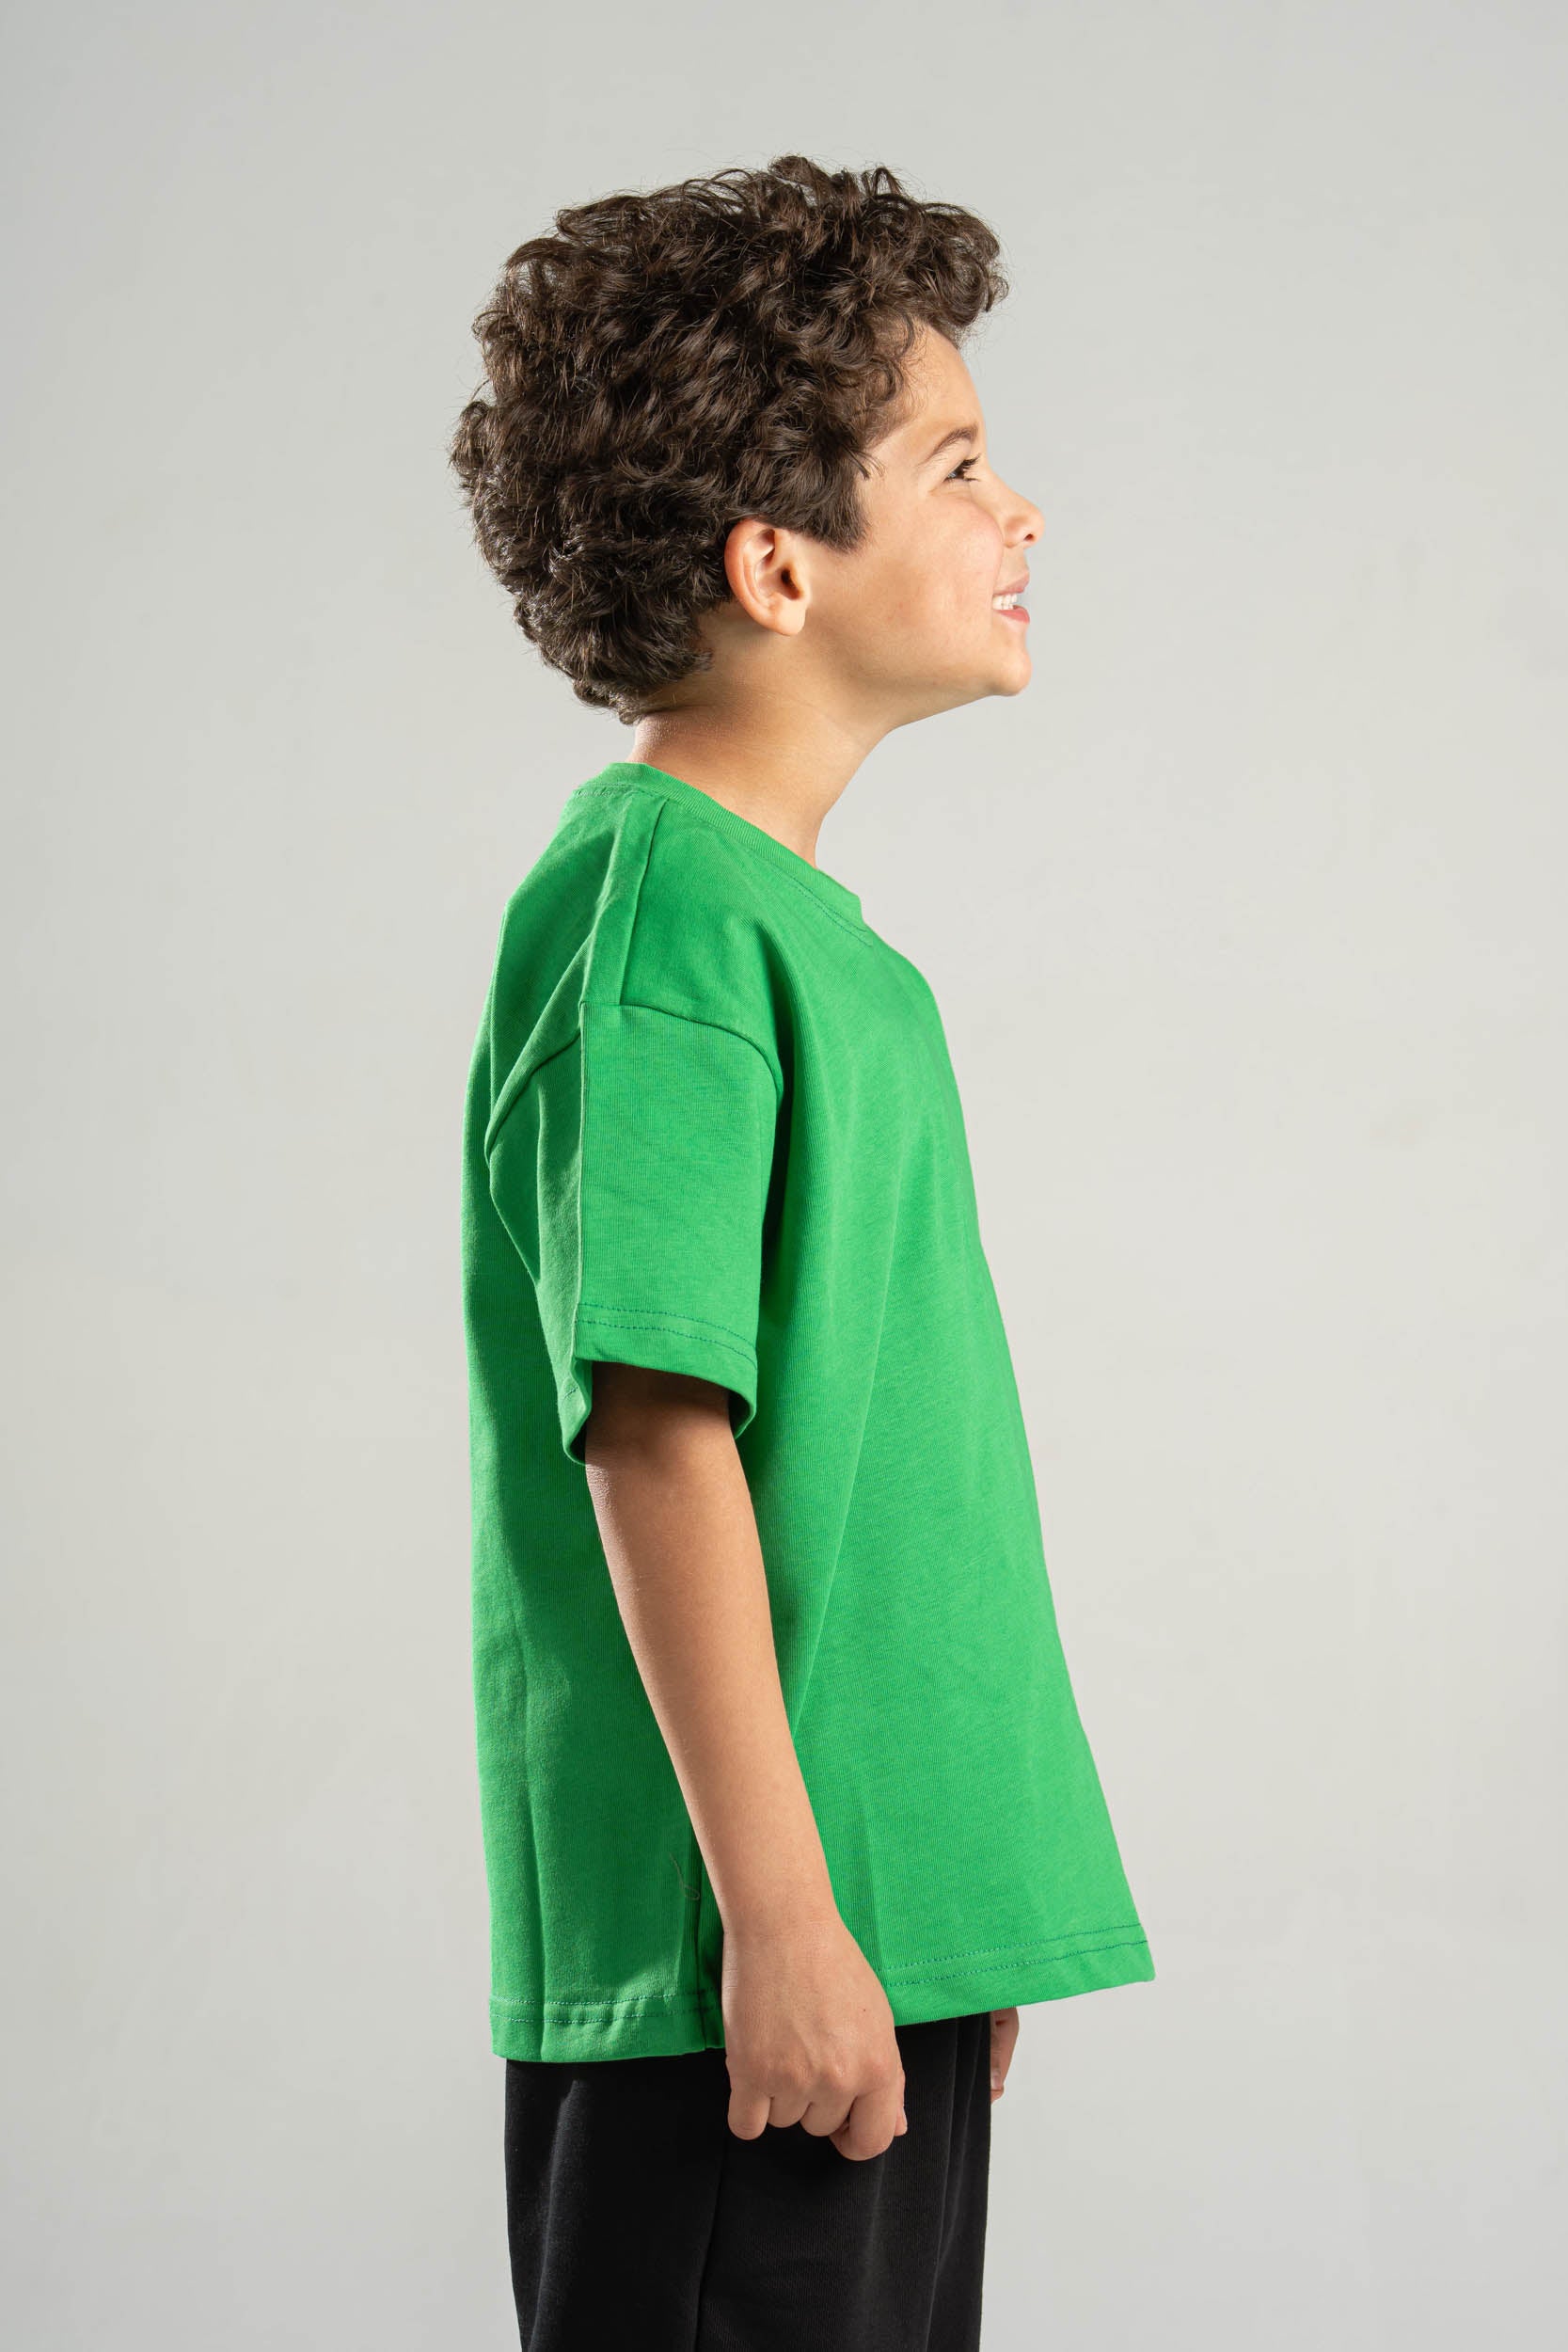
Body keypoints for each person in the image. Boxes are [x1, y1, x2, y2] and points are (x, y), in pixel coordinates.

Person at [450, 153, 1155, 2351]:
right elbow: (654, 1427)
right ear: (777, 563)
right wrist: (778, 1914)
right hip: (736, 1984)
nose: (1021, 510)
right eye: (957, 463)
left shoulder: (810, 943)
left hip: (862, 1940)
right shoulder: (658, 911)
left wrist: (921, 1907)